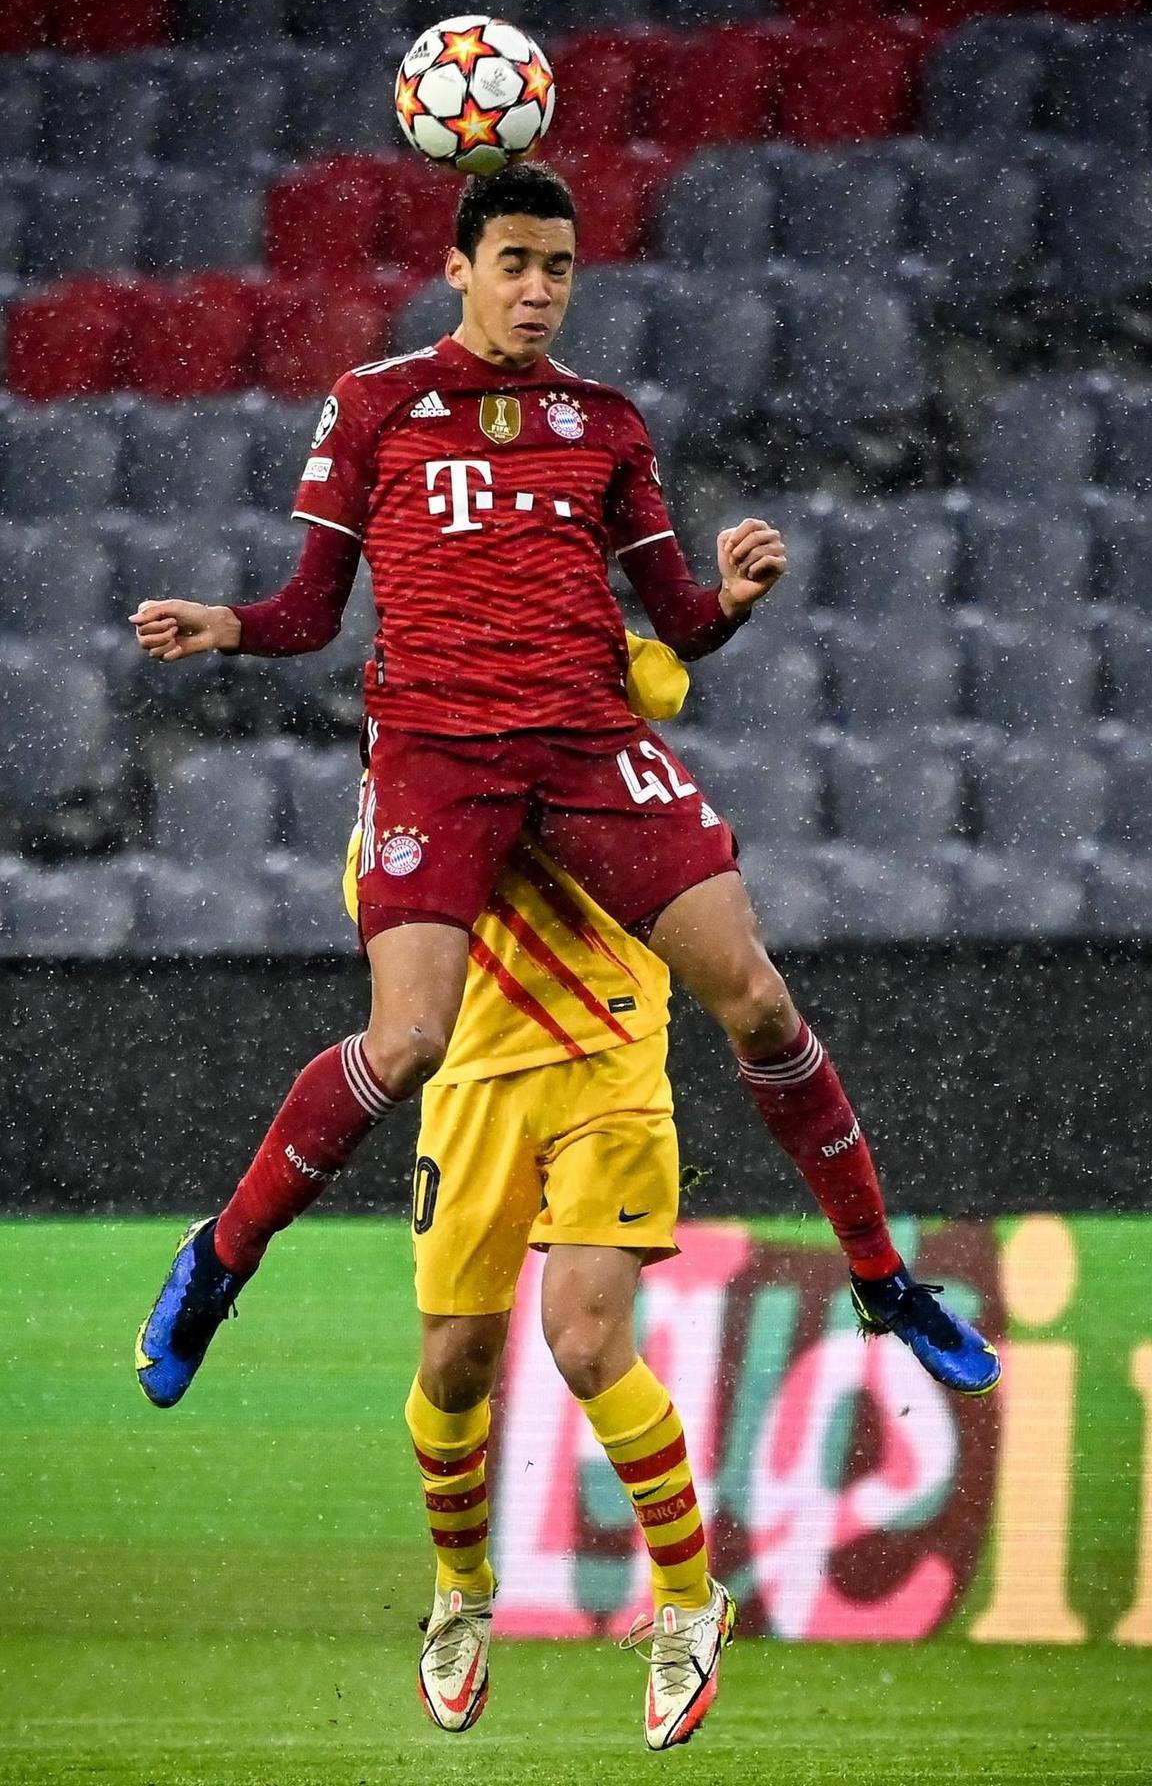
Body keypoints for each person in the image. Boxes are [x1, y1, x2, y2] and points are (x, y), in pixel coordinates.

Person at [133, 163, 997, 1459]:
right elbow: (314, 610)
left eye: (559, 269)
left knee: (756, 998)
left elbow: (683, 627)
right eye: (517, 264)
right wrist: (227, 625)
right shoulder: (377, 403)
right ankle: (222, 1256)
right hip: (435, 752)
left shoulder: (605, 422)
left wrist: (734, 593)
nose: (539, 290)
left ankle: (882, 1282)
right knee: (411, 1038)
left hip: (587, 745)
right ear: (460, 269)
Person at [143, 635, 735, 1750]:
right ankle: (460, 1596)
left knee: (585, 1339)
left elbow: (665, 668)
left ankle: (689, 1600)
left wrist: (717, 608)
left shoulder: (580, 673)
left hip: (608, 1066)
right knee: (454, 1363)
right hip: (469, 1093)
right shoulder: (392, 824)